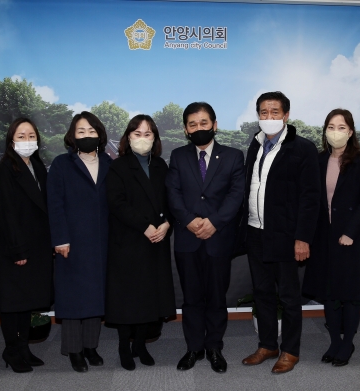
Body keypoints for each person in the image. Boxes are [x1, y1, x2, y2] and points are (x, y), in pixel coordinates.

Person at [240, 91, 320, 374]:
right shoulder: (255, 144)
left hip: (286, 236)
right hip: (255, 232)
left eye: (275, 112)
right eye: (264, 112)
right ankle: (267, 345)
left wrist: (303, 238)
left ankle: (290, 351)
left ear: (286, 115)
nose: (269, 117)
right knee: (262, 292)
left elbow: (311, 198)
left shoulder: (303, 148)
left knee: (288, 297)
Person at [166, 102, 245, 374]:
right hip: (187, 239)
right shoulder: (178, 156)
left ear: (214, 125)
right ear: (186, 130)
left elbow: (236, 195)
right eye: (192, 124)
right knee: (191, 298)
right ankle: (193, 348)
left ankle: (214, 347)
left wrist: (214, 222)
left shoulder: (233, 156)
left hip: (218, 238)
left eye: (203, 123)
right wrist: (189, 220)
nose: (198, 128)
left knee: (216, 297)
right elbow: (173, 193)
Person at [302, 109, 360, 367]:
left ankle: (348, 343)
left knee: (350, 294)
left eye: (342, 127)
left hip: (352, 239)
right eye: (331, 127)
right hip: (324, 238)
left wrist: (350, 232)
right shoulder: (319, 160)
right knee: (330, 294)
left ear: (351, 131)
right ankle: (335, 341)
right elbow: (313, 199)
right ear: (325, 131)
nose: (336, 132)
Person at [105, 115, 176, 371]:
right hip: (129, 240)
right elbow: (117, 203)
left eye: (148, 134)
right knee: (127, 298)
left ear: (155, 138)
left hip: (156, 239)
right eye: (137, 134)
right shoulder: (118, 166)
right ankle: (124, 347)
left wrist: (168, 223)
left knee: (149, 297)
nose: (142, 139)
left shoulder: (160, 166)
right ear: (128, 137)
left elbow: (171, 199)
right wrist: (144, 226)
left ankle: (141, 345)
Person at [47, 111, 112, 373]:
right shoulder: (62, 164)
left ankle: (90, 347)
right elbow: (55, 204)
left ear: (100, 135)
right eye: (81, 131)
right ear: (72, 136)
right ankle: (73, 350)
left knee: (96, 295)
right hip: (71, 242)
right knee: (73, 296)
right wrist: (60, 238)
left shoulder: (109, 163)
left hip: (102, 241)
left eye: (92, 131)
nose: (87, 135)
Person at [0, 118, 53, 373]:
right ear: (11, 141)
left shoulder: (37, 165)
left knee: (27, 301)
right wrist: (17, 249)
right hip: (15, 247)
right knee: (12, 303)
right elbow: (6, 213)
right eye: (21, 136)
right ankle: (11, 350)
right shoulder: (5, 169)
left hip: (37, 245)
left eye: (31, 136)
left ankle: (23, 347)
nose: (27, 141)